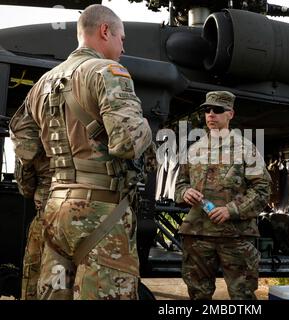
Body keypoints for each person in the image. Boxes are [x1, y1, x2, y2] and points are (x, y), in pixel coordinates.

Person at [9, 4, 152, 300]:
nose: (123, 47)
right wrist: (146, 128)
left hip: (56, 213)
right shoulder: (108, 71)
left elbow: (25, 145)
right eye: (121, 38)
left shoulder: (41, 85)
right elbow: (127, 142)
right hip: (101, 213)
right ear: (104, 31)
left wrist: (46, 185)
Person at [175, 91, 271, 300]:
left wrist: (231, 210)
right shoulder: (193, 150)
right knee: (198, 295)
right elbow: (180, 185)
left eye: (217, 110)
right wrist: (185, 192)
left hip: (235, 236)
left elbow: (263, 191)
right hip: (198, 235)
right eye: (207, 110)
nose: (210, 114)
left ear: (230, 114)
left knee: (242, 296)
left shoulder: (247, 149)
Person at [9, 107, 52, 300]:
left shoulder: (36, 130)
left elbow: (26, 187)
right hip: (105, 216)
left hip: (48, 217)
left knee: (34, 281)